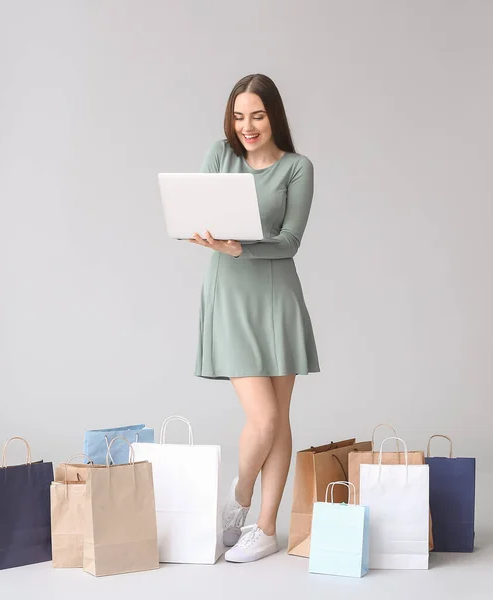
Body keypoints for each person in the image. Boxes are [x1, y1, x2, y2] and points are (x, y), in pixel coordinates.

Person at [190, 74, 319, 563]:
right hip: (229, 294)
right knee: (261, 418)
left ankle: (264, 528)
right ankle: (238, 497)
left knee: (279, 419)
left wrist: (239, 245)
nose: (247, 126)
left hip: (277, 296)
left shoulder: (297, 168)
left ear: (274, 117)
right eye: (240, 116)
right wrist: (208, 237)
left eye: (258, 116)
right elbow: (195, 214)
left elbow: (290, 241)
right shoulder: (219, 156)